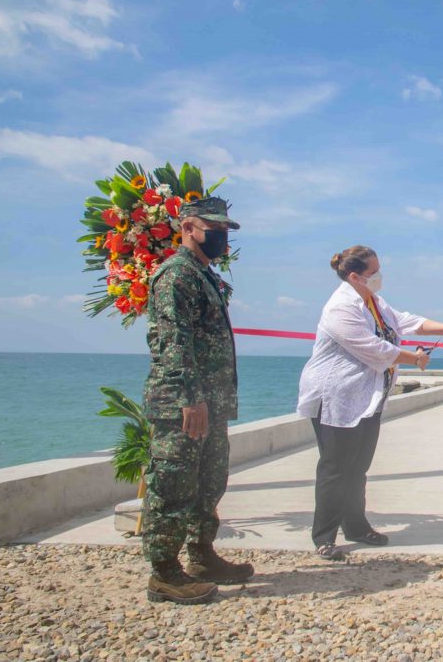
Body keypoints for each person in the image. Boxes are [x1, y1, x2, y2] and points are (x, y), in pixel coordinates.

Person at [297, 245, 443, 559]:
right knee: (336, 468)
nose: (379, 278)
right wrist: (413, 358)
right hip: (336, 397)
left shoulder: (373, 301)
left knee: (358, 467)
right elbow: (371, 348)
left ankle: (356, 527)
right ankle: (324, 537)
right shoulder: (340, 307)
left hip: (366, 398)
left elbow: (403, 321)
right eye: (374, 273)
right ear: (355, 276)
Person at [141, 197, 254, 605]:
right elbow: (173, 342)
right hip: (185, 405)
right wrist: (190, 398)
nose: (221, 237)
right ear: (187, 226)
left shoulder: (204, 275)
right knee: (173, 485)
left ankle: (202, 555)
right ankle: (164, 574)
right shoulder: (176, 276)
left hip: (212, 401)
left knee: (208, 483)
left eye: (226, 230)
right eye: (214, 228)